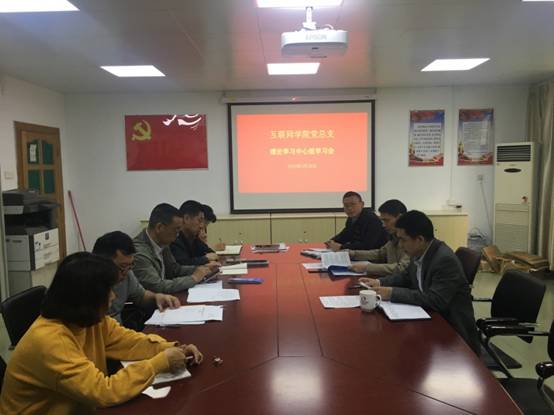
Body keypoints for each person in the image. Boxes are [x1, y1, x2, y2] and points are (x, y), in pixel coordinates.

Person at [0, 252, 203, 415]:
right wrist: (159, 363)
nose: (113, 296)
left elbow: (130, 342)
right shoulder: (51, 341)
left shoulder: (88, 321)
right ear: (88, 297)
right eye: (109, 290)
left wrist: (173, 349)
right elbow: (103, 392)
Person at [359, 210, 480, 354]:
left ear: (420, 239)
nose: (401, 245)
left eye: (403, 240)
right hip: (428, 318)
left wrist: (392, 293)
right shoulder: (420, 252)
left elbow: (435, 300)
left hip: (451, 333)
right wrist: (379, 282)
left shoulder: (444, 260)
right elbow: (406, 277)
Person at [93, 231, 181, 331]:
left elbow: (141, 296)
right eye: (122, 266)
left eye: (130, 265)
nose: (126, 272)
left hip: (119, 333)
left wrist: (156, 297)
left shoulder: (126, 273)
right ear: (102, 262)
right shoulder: (88, 284)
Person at [133, 203, 216, 294]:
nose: (178, 235)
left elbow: (174, 270)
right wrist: (193, 278)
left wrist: (200, 269)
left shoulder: (162, 242)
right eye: (176, 230)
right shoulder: (139, 252)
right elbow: (157, 286)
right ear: (159, 227)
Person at [349, 199, 410, 277]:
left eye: (386, 220)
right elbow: (380, 254)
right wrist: (352, 254)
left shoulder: (411, 239)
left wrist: (367, 267)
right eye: (382, 221)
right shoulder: (393, 237)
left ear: (399, 218)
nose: (383, 225)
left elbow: (402, 268)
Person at [170, 200, 219, 266]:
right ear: (186, 218)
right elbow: (182, 264)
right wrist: (205, 259)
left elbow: (212, 254)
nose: (202, 226)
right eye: (199, 220)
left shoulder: (193, 237)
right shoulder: (174, 238)